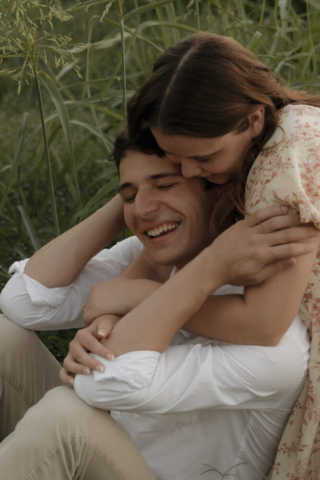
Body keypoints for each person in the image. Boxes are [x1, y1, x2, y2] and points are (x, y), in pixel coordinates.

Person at [0, 131, 318, 480]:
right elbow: (24, 303)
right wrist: (132, 202)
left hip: (138, 466)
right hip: (104, 439)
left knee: (66, 418)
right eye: (130, 195)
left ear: (217, 184)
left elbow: (99, 385)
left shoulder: (279, 347)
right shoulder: (157, 255)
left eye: (165, 184)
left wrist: (143, 291)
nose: (144, 209)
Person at [122, 32, 320, 479]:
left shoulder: (283, 159)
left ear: (251, 120)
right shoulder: (286, 131)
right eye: (177, 160)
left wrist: (142, 300)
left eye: (203, 157)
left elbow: (262, 324)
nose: (191, 173)